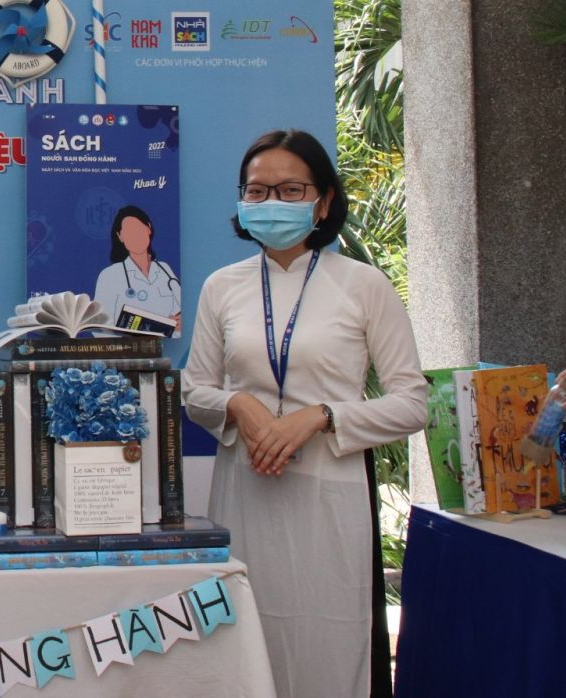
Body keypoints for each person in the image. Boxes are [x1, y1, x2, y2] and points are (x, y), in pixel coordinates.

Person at [183, 129, 426, 698]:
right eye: (257, 191)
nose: (272, 203)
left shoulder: (363, 285)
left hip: (329, 492)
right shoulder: (223, 287)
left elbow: (412, 402)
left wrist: (321, 416)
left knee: (329, 644)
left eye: (290, 190)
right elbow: (194, 391)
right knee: (243, 639)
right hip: (245, 490)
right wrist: (239, 404)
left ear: (323, 201)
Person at [91, 205, 182, 334]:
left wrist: (179, 322)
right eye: (129, 232)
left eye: (138, 229)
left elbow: (182, 313)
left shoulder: (165, 270)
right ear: (120, 236)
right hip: (126, 347)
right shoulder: (109, 275)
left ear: (148, 228)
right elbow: (100, 327)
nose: (135, 236)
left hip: (167, 345)